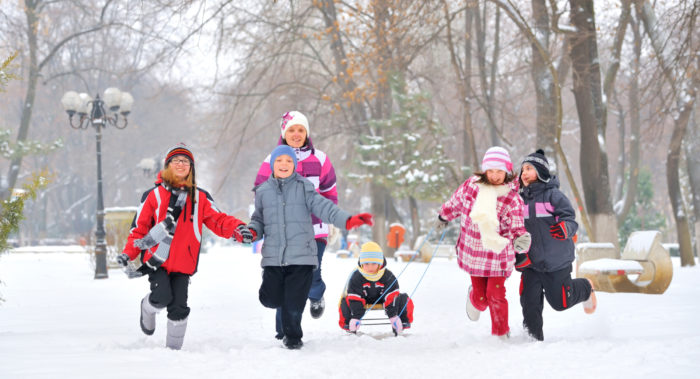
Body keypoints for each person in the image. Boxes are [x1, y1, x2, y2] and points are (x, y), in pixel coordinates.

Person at [116, 143, 253, 350]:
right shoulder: (152, 196)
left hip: (184, 263)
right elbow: (139, 230)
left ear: (191, 167)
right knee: (162, 297)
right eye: (176, 160)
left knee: (179, 308)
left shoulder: (200, 198)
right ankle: (147, 307)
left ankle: (173, 354)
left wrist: (238, 229)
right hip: (157, 260)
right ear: (167, 165)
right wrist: (128, 254)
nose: (181, 164)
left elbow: (218, 220)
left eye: (185, 161)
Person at [248, 145, 373, 349]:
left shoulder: (304, 186)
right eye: (279, 161)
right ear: (272, 165)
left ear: (294, 165)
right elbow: (258, 219)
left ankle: (293, 338)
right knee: (270, 299)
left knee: (294, 303)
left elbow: (324, 207)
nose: (284, 165)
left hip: (302, 256)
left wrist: (347, 221)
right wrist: (252, 231)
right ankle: (282, 312)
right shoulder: (263, 192)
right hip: (274, 257)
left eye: (289, 161)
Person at [435, 146, 531, 339]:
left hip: (498, 256)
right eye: (491, 171)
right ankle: (474, 296)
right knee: (481, 300)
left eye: (499, 171)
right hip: (475, 254)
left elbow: (516, 223)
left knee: (495, 295)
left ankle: (501, 333)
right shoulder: (472, 186)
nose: (495, 176)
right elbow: (455, 202)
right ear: (485, 170)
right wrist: (443, 216)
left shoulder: (512, 197)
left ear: (507, 171)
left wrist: (520, 237)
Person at [254, 111, 337, 324]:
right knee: (285, 280)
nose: (296, 134)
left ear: (307, 132)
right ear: (284, 133)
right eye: (291, 129)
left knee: (312, 274)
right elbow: (261, 192)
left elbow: (329, 191)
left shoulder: (320, 159)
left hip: (314, 230)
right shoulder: (272, 160)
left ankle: (316, 295)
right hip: (283, 233)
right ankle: (284, 331)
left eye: (301, 129)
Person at [518, 149, 597, 341]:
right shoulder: (518, 200)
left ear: (540, 171)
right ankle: (532, 337)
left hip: (556, 260)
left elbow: (570, 218)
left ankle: (585, 287)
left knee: (560, 302)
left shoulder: (553, 195)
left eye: (529, 168)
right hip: (531, 262)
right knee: (529, 302)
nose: (524, 173)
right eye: (522, 170)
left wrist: (565, 228)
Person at [338, 241, 414, 335]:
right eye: (366, 264)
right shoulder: (356, 277)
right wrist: (356, 317)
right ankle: (349, 324)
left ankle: (402, 322)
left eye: (374, 263)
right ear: (362, 264)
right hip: (362, 300)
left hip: (383, 300)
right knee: (345, 301)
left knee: (403, 298)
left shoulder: (387, 275)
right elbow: (355, 296)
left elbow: (392, 295)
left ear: (380, 263)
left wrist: (393, 316)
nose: (370, 267)